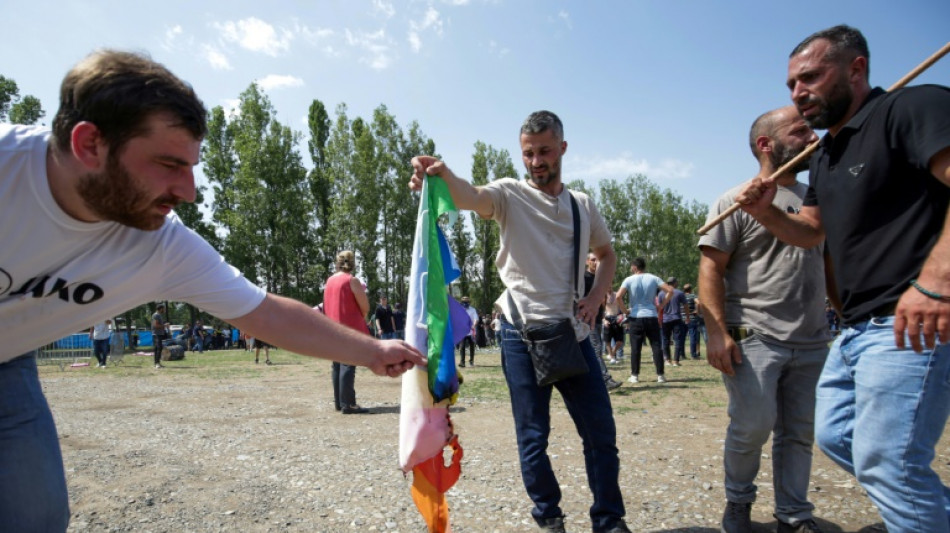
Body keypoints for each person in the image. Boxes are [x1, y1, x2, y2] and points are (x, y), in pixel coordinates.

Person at [0, 49, 425, 531]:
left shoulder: (159, 243)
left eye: (192, 166)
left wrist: (371, 350)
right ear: (89, 144)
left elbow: (264, 313)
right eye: (168, 164)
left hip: (7, 364)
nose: (190, 190)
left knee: (34, 515)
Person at [735, 25, 950, 532]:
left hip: (909, 319)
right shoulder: (827, 153)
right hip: (854, 330)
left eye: (810, 77)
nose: (798, 93)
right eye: (791, 84)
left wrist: (936, 281)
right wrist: (767, 214)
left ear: (856, 69)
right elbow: (811, 233)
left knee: (888, 463)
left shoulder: (910, 109)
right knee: (835, 436)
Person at [410, 110, 630, 533]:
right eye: (529, 153)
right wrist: (441, 177)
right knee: (533, 435)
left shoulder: (582, 205)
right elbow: (468, 196)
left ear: (563, 148)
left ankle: (609, 520)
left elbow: (607, 255)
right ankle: (548, 517)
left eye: (545, 151)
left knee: (601, 433)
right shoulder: (509, 194)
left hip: (572, 331)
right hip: (518, 332)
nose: (536, 161)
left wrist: (596, 297)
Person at [700, 105, 830, 533]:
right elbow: (711, 270)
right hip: (754, 334)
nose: (813, 137)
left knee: (798, 432)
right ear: (766, 144)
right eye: (801, 130)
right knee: (753, 425)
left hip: (812, 337)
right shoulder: (734, 201)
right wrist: (717, 333)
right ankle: (738, 503)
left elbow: (831, 266)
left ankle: (793, 513)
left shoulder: (818, 198)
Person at [322, 250, 371, 414]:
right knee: (348, 364)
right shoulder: (352, 280)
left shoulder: (329, 281)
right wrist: (361, 316)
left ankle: (339, 402)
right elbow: (365, 307)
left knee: (337, 365)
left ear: (337, 262)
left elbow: (326, 304)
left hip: (332, 328)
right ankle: (348, 404)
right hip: (349, 328)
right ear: (352, 263)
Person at [615, 258, 672, 384]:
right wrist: (661, 306)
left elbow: (618, 296)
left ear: (634, 267)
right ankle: (660, 375)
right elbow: (670, 291)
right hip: (651, 315)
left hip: (636, 316)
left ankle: (635, 375)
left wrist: (625, 311)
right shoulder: (653, 278)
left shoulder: (628, 280)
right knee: (656, 346)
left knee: (636, 348)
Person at [585, 253, 622, 390]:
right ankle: (605, 379)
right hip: (587, 320)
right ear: (587, 261)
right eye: (593, 260)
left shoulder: (600, 279)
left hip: (598, 319)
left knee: (591, 350)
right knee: (596, 349)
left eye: (598, 260)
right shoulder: (583, 278)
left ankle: (588, 382)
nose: (596, 263)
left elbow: (603, 301)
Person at [660, 277, 687, 367]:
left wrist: (659, 319)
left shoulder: (661, 293)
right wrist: (687, 317)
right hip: (676, 318)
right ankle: (676, 360)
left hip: (665, 319)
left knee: (665, 340)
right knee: (678, 340)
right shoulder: (679, 293)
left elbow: (659, 308)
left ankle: (667, 360)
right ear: (675, 283)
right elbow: (685, 305)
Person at [602, 290, 625, 364]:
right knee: (607, 340)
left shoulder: (617, 295)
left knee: (620, 341)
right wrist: (604, 319)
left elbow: (622, 306)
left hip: (617, 317)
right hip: (607, 317)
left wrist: (624, 316)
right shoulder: (603, 295)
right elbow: (601, 309)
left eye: (610, 284)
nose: (609, 287)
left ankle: (612, 353)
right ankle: (612, 357)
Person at [682, 283, 704, 359]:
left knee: (682, 337)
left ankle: (682, 354)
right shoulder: (693, 296)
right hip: (692, 319)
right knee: (692, 337)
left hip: (682, 319)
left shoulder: (681, 296)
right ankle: (693, 354)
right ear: (690, 289)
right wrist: (696, 311)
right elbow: (699, 302)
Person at [458, 296, 478, 367]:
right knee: (462, 346)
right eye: (464, 301)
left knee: (472, 346)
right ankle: (462, 362)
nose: (465, 302)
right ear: (461, 301)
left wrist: (474, 325)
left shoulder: (473, 310)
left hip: (471, 331)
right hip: (463, 331)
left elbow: (476, 319)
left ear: (469, 301)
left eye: (466, 301)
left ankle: (471, 361)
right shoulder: (459, 310)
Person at [151, 304, 169, 369]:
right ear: (160, 309)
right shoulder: (156, 315)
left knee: (158, 348)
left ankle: (157, 363)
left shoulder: (159, 315)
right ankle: (157, 364)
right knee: (158, 348)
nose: (164, 310)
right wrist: (165, 325)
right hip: (156, 334)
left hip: (159, 334)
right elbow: (155, 325)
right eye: (163, 309)